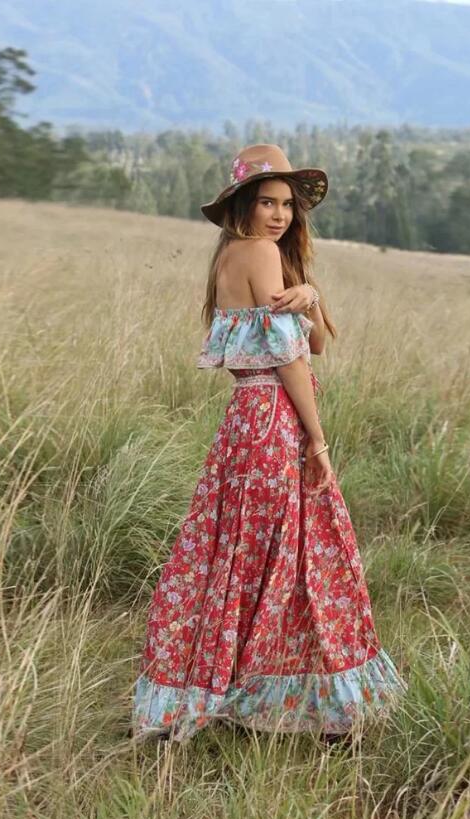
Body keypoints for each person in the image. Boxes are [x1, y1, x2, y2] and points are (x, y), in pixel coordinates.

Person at [130, 144, 407, 745]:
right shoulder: (257, 251)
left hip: (242, 421)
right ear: (242, 206)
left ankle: (231, 689)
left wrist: (311, 297)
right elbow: (290, 358)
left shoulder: (234, 256)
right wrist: (318, 439)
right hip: (272, 418)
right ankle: (288, 695)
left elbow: (315, 343)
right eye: (267, 202)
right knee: (297, 552)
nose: (279, 215)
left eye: (287, 204)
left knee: (240, 553)